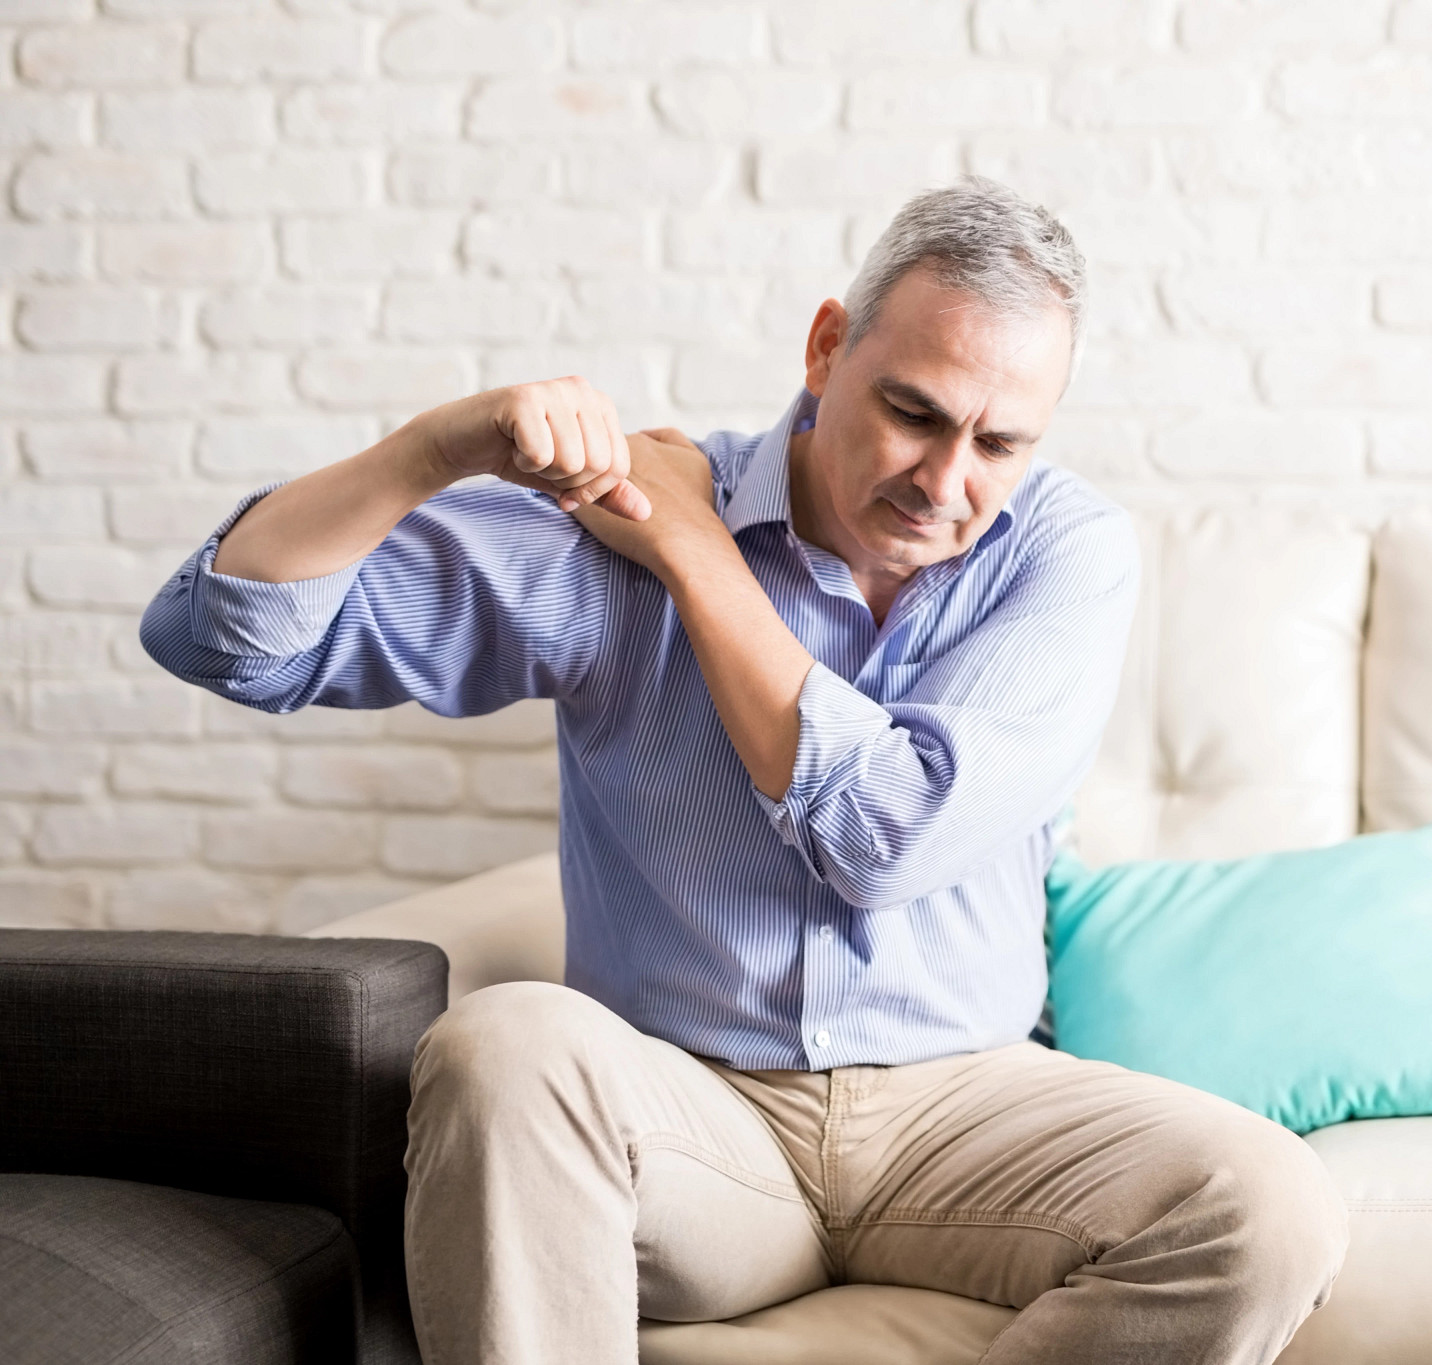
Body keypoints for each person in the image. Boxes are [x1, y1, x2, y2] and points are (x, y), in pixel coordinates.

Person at [141, 177, 1348, 1365]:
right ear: (826, 349)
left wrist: (691, 550)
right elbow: (223, 637)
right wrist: (438, 447)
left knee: (1266, 1209)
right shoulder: (621, 515)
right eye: (914, 413)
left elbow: (890, 836)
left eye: (999, 442)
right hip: (696, 1118)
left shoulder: (1055, 551)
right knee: (499, 1044)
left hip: (961, 1107)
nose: (945, 482)